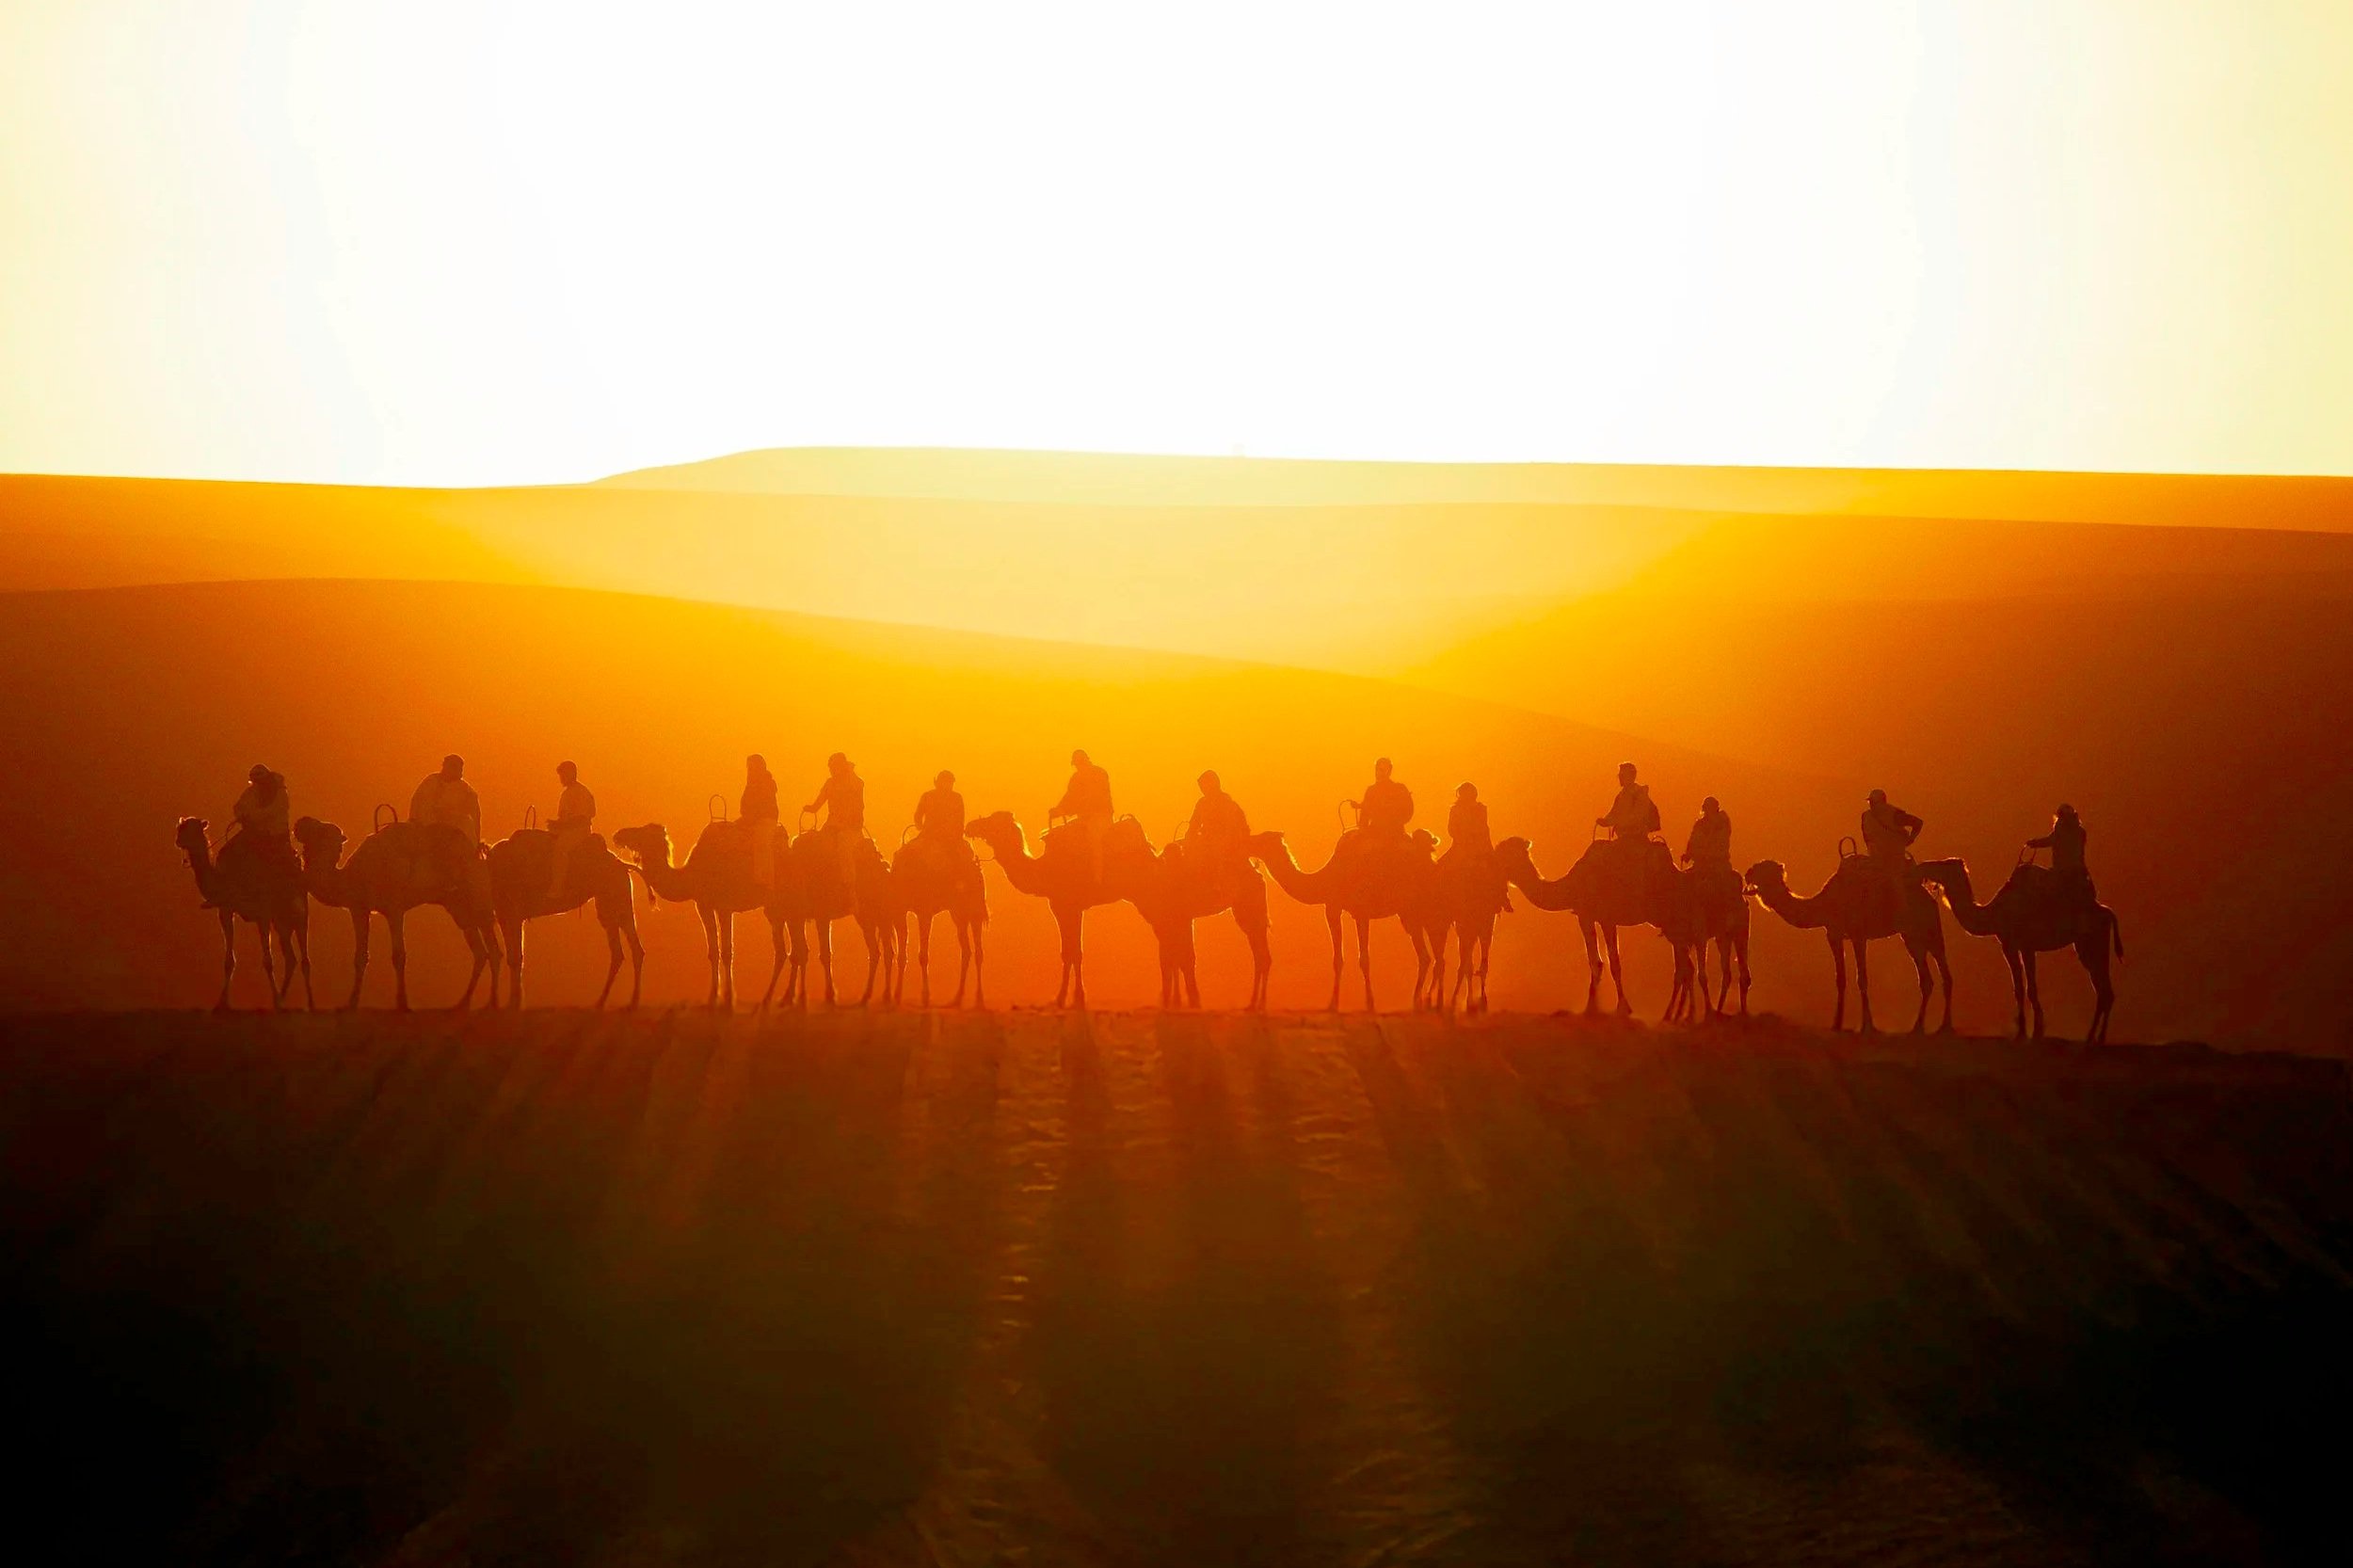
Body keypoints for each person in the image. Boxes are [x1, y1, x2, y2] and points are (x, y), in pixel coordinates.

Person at [216, 763, 296, 904]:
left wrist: (251, 816)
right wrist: (242, 815)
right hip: (253, 833)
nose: (258, 784)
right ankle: (223, 892)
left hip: (275, 835)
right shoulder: (251, 792)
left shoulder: (280, 792)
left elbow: (274, 811)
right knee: (226, 853)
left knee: (285, 864)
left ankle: (291, 896)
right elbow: (239, 806)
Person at [409, 753, 482, 892]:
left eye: (459, 768)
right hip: (426, 827)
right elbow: (418, 804)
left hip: (453, 833)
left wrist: (476, 843)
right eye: (452, 767)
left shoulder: (466, 791)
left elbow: (475, 817)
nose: (456, 772)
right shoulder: (431, 782)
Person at [1053, 748, 1114, 883]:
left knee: (1094, 840)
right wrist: (1058, 810)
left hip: (1101, 817)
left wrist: (1072, 809)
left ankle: (1098, 878)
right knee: (1066, 835)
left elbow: (1096, 797)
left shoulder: (1100, 774)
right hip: (1084, 818)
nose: (1078, 767)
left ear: (1085, 761)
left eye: (1079, 763)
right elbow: (1069, 797)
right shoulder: (1076, 778)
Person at [805, 752, 866, 883]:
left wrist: (849, 771)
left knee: (844, 848)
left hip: (851, 828)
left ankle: (848, 884)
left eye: (834, 767)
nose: (831, 770)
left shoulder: (855, 782)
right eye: (830, 767)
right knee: (816, 844)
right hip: (832, 826)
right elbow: (818, 804)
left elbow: (858, 803)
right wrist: (811, 808)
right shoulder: (830, 783)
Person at [1185, 770, 1251, 885]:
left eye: (1204, 786)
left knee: (1210, 855)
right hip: (1205, 840)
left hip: (1225, 842)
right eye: (1201, 787)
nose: (1203, 790)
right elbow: (1194, 824)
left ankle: (1215, 885)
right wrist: (1188, 838)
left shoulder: (1227, 803)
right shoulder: (1202, 803)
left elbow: (1234, 827)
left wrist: (1224, 839)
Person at [547, 760, 596, 902]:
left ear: (571, 774)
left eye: (563, 775)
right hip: (567, 830)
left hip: (580, 831)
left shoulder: (581, 792)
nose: (561, 779)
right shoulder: (566, 794)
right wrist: (555, 825)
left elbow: (582, 818)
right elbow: (563, 817)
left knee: (560, 849)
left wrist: (561, 826)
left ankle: (558, 887)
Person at [2027, 803, 2092, 905]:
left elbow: (2050, 841)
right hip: (2080, 871)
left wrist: (2034, 843)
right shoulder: (2081, 832)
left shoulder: (2061, 830)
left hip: (2062, 872)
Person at [742, 754, 780, 888]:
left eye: (752, 766)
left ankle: (766, 880)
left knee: (762, 842)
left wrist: (752, 817)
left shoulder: (767, 782)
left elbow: (763, 804)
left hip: (766, 820)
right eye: (749, 767)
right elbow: (746, 803)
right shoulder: (750, 783)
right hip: (750, 820)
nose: (750, 769)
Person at [1596, 761, 1660, 841]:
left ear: (1631, 776)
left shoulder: (1640, 794)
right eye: (1619, 776)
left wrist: (1621, 822)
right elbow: (1613, 814)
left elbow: (1638, 816)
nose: (1620, 778)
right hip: (1623, 837)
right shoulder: (1621, 796)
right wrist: (1605, 822)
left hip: (1637, 838)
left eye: (1622, 775)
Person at [1353, 758, 1415, 837]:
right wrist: (1363, 830)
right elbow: (1364, 815)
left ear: (1389, 771)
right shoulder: (1371, 791)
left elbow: (1408, 811)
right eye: (1378, 769)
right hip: (1375, 832)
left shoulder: (1399, 789)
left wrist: (1394, 821)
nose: (1379, 772)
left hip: (1396, 832)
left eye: (1383, 770)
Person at [1860, 789, 1923, 866]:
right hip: (1884, 860)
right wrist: (1910, 839)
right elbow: (1918, 823)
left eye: (1872, 802)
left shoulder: (1894, 815)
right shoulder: (1867, 816)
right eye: (1870, 802)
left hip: (1888, 861)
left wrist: (1911, 838)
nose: (1871, 805)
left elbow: (1918, 823)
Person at [1683, 796, 1733, 871]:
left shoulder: (1722, 823)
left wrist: (1706, 854)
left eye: (1710, 808)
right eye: (1706, 808)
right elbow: (1693, 841)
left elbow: (1720, 842)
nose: (1708, 811)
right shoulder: (1699, 824)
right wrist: (1688, 854)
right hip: (1700, 864)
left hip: (1718, 863)